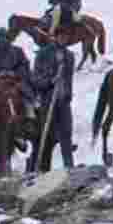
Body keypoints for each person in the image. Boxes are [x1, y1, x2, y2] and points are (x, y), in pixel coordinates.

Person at [28, 40, 75, 172]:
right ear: (55, 37)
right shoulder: (43, 54)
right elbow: (35, 79)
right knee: (47, 135)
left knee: (66, 133)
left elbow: (69, 78)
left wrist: (68, 94)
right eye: (61, 36)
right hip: (48, 101)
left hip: (63, 101)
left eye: (66, 36)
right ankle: (42, 168)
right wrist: (50, 81)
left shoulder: (69, 55)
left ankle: (69, 167)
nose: (63, 38)